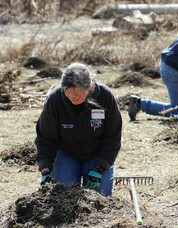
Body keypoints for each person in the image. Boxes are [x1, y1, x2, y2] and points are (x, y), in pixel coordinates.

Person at [35, 62, 122, 197]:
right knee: (63, 194)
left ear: (89, 87)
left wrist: (99, 168)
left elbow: (113, 137)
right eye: (68, 94)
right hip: (66, 153)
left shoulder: (105, 97)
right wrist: (45, 169)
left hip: (96, 153)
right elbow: (45, 137)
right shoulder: (55, 99)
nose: (73, 98)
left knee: (100, 196)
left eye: (77, 94)